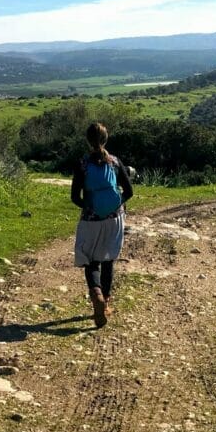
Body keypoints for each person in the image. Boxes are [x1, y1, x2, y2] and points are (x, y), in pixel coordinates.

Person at [70, 122, 133, 328]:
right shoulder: (114, 162)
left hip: (91, 220)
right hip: (114, 219)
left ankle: (95, 293)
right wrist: (115, 205)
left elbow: (74, 197)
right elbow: (129, 191)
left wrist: (89, 207)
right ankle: (105, 302)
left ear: (88, 141)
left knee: (90, 261)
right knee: (108, 261)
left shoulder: (83, 164)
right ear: (106, 139)